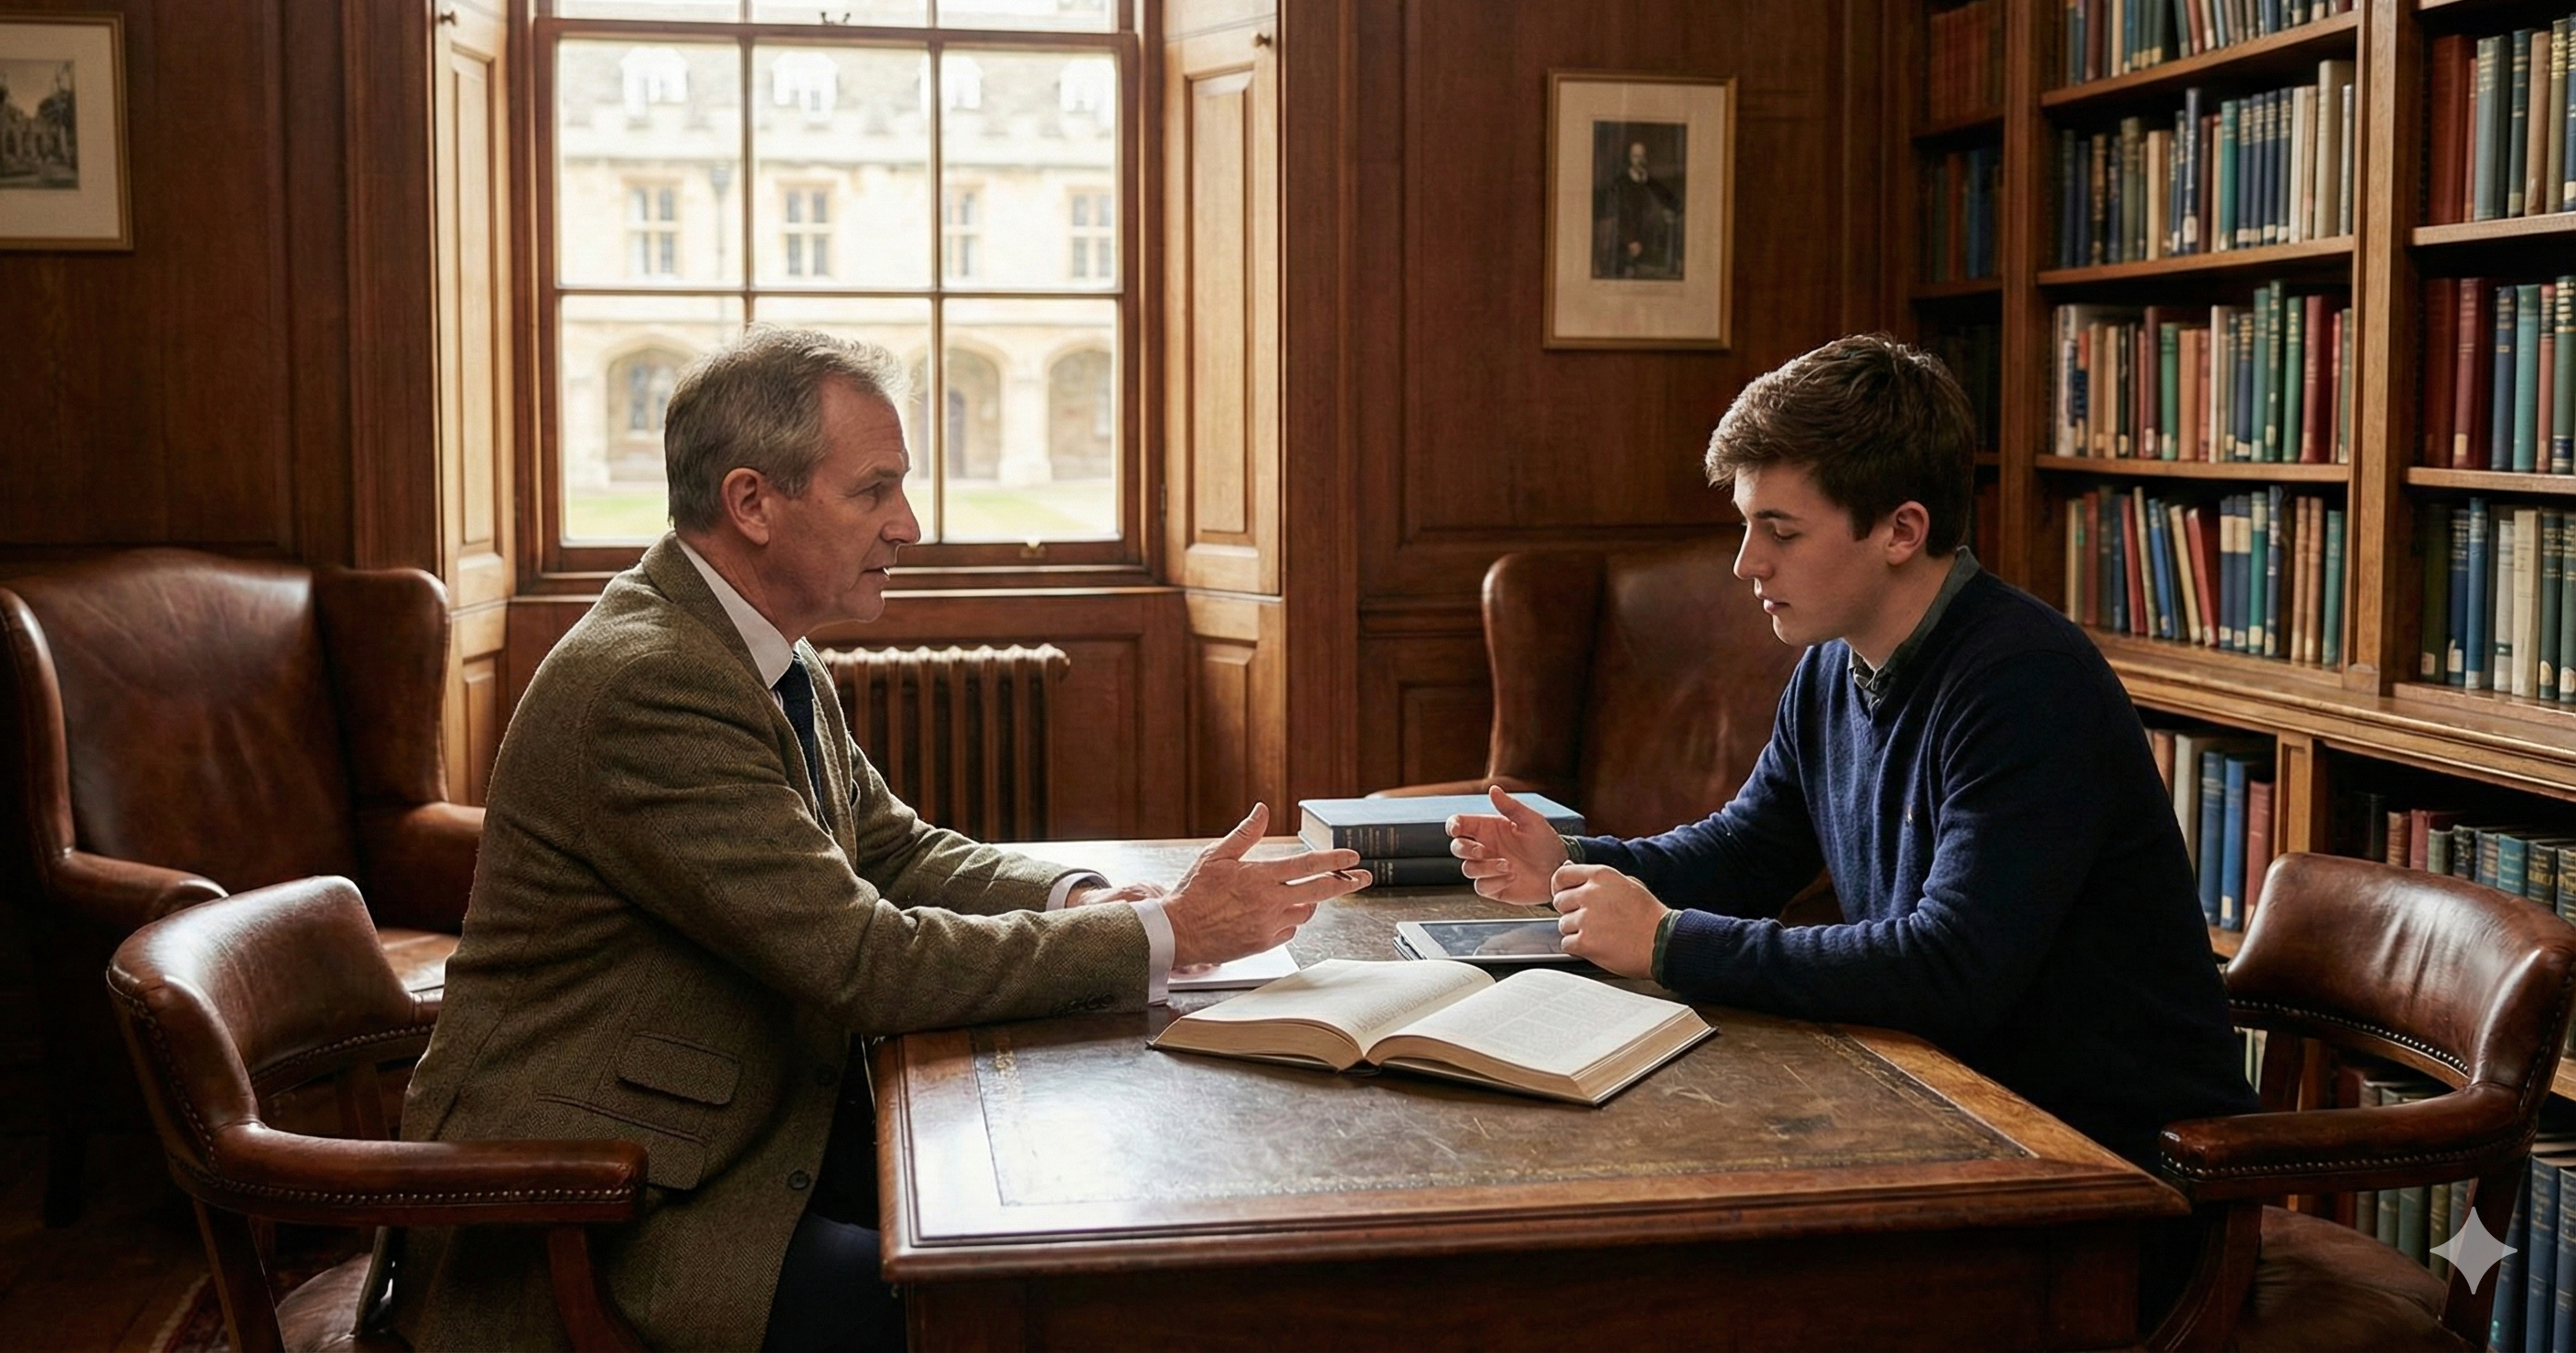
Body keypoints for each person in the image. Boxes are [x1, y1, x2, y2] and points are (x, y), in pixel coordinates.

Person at [394, 328, 1366, 1353]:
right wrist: (1165, 937)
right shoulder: (653, 681)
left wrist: (1078, 900)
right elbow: (864, 962)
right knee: (1067, 1305)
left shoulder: (756, 648)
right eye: (874, 491)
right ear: (752, 503)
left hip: (739, 1136)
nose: (906, 525)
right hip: (610, 1212)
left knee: (1101, 1221)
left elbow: (892, 852)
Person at [1446, 333, 2256, 1314]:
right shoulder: (1833, 664)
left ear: (1900, 530)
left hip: (2103, 1188)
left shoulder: (2024, 683)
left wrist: (1664, 942)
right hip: (1943, 1123)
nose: (1746, 562)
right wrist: (1569, 862)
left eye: (1779, 531)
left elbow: (1948, 970)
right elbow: (1746, 851)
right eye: (1748, 526)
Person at [1595, 138, 1681, 279]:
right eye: (1635, 156)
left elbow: (1673, 203)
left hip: (1648, 243)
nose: (1639, 160)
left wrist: (1670, 211)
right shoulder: (1620, 184)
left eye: (1642, 156)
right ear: (1629, 159)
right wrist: (1630, 241)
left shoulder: (1651, 182)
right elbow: (1619, 215)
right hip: (1624, 243)